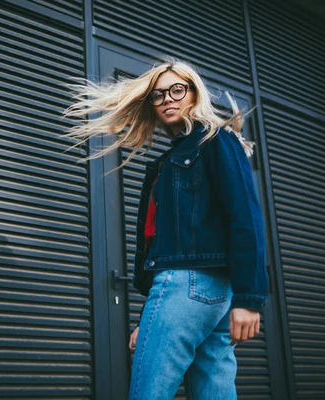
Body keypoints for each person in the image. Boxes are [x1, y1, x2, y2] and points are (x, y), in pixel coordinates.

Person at [63, 58, 269, 399]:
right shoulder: (169, 160)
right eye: (158, 95)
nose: (168, 99)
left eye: (177, 90)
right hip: (207, 296)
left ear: (194, 93)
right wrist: (152, 314)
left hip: (190, 287)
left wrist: (250, 298)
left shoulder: (217, 139)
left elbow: (245, 217)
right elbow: (160, 240)